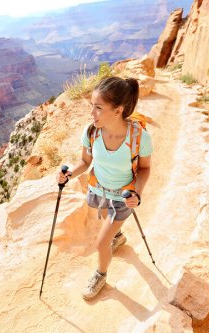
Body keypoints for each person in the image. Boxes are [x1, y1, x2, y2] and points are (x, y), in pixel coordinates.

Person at [56, 76, 153, 300]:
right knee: (106, 223)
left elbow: (146, 169)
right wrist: (69, 174)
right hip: (99, 191)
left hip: (123, 197)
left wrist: (138, 193)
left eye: (98, 108)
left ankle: (100, 274)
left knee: (101, 242)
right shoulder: (92, 132)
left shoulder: (140, 138)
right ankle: (117, 236)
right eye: (92, 107)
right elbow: (85, 161)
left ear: (118, 110)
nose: (92, 114)